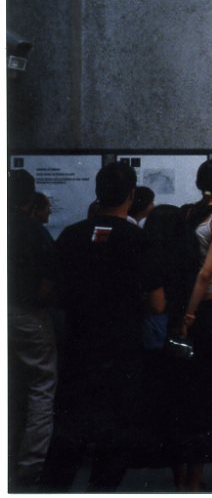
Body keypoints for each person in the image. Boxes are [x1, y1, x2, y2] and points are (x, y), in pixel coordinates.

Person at [40, 162, 165, 491]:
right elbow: (158, 303)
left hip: (79, 346)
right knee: (117, 433)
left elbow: (49, 291)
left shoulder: (71, 235)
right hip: (123, 348)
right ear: (131, 195)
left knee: (69, 430)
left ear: (97, 192)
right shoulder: (138, 239)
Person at [171, 159, 212, 491]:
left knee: (183, 397)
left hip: (182, 306)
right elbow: (206, 273)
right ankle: (194, 481)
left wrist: (181, 313)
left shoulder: (188, 214)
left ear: (199, 183)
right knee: (207, 398)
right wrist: (190, 315)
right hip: (209, 309)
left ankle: (179, 478)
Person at [8, 171, 59, 489]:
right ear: (31, 197)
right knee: (41, 383)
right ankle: (30, 466)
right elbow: (49, 279)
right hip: (28, 314)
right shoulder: (33, 231)